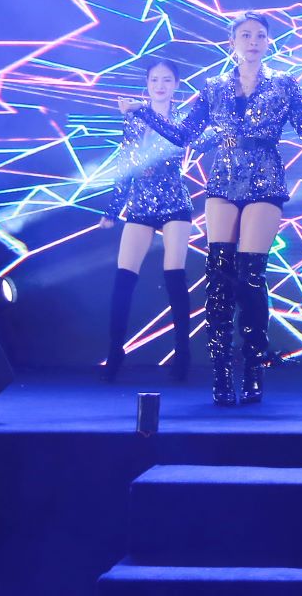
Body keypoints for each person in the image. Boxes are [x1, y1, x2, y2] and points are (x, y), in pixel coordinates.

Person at [127, 13, 302, 406]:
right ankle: (221, 374)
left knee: (250, 276)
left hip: (265, 177)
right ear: (232, 42)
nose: (252, 41)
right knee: (219, 275)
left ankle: (253, 369)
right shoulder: (214, 86)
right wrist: (143, 111)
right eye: (245, 35)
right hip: (224, 179)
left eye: (260, 35)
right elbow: (184, 134)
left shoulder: (284, 84)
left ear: (268, 42)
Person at [101, 56, 195, 383]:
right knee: (124, 277)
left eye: (167, 79)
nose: (160, 85)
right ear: (147, 84)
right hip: (141, 203)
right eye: (154, 80)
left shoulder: (182, 120)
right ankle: (115, 352)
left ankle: (183, 354)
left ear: (176, 85)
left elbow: (184, 140)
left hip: (175, 202)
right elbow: (125, 163)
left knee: (174, 274)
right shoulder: (134, 121)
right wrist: (113, 210)